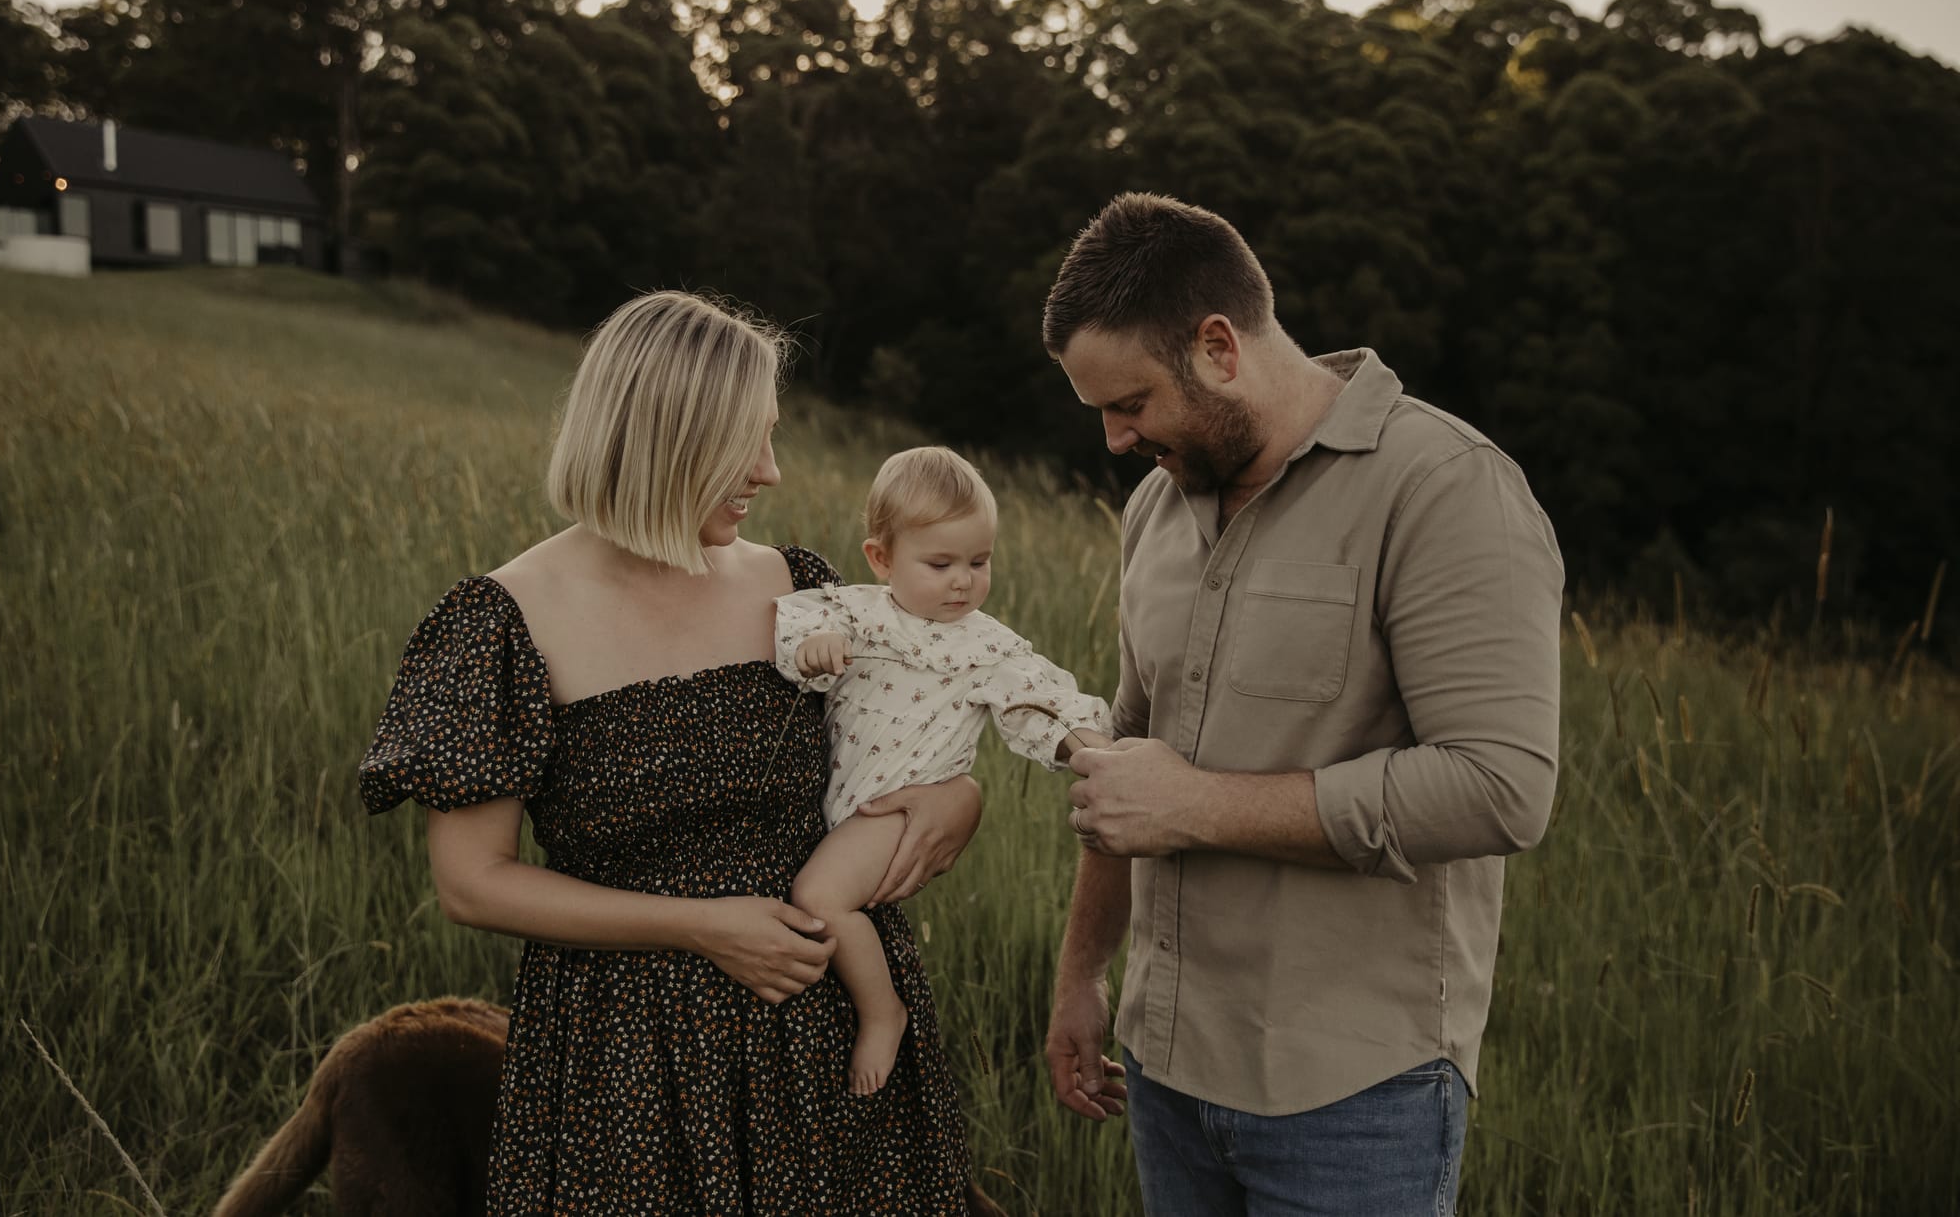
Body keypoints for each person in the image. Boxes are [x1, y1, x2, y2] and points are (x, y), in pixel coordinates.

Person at [357, 291, 990, 1214]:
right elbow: (472, 881)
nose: (771, 471)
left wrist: (958, 798)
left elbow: (910, 738)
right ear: (665, 436)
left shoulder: (802, 588)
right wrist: (700, 923)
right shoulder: (505, 620)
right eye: (747, 441)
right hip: (631, 1064)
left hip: (830, 1035)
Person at [1040, 194, 1564, 1216]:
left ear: (1218, 346)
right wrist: (1081, 976)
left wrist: (1201, 805)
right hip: (1163, 1065)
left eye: (1131, 401)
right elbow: (1128, 766)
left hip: (1354, 1094)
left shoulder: (1445, 488)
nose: (1112, 438)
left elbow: (1501, 789)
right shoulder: (1156, 503)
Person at [775, 446, 1111, 1096]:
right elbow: (797, 621)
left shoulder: (984, 645)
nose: (963, 581)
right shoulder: (858, 611)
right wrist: (812, 647)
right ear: (881, 559)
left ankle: (882, 1011)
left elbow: (1042, 702)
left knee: (818, 897)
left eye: (978, 562)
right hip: (841, 806)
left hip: (896, 812)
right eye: (941, 563)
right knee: (826, 897)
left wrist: (1096, 751)